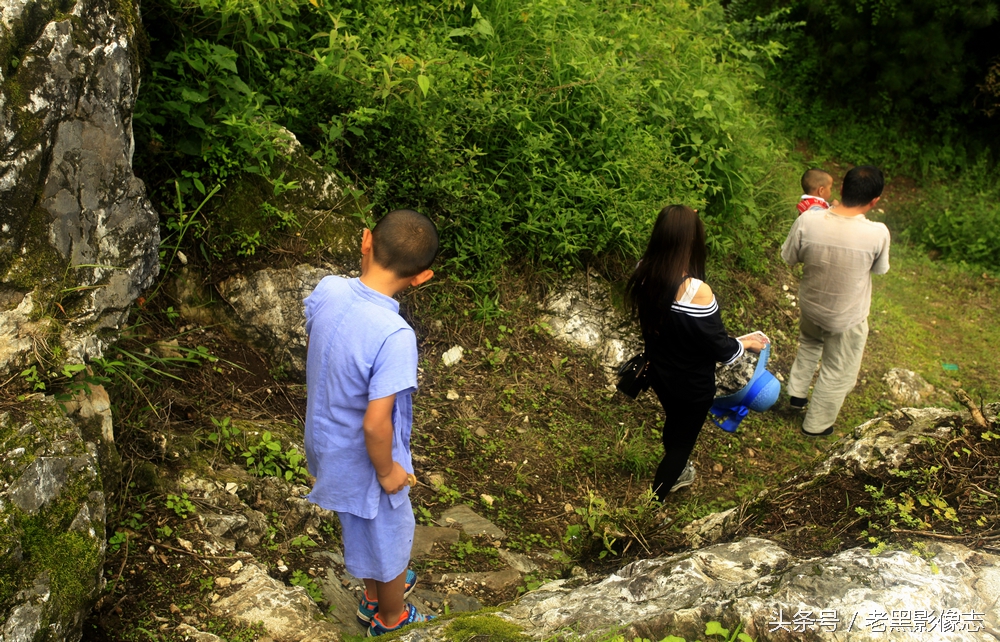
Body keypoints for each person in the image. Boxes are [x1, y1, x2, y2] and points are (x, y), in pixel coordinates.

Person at [303, 209, 438, 636]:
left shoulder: (329, 289)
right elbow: (376, 424)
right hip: (368, 460)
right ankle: (392, 616)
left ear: (365, 241)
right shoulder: (394, 335)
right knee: (393, 531)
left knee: (360, 525)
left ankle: (375, 594)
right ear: (421, 277)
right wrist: (389, 471)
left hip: (326, 440)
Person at [626, 205, 765, 501]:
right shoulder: (696, 291)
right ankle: (653, 504)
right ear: (692, 241)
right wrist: (747, 343)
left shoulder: (643, 271)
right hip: (692, 385)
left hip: (659, 373)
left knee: (674, 421)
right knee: (681, 445)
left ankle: (674, 469)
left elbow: (683, 333)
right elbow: (721, 349)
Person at [781, 165, 890, 436]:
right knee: (837, 368)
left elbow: (789, 257)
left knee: (809, 344)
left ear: (841, 189)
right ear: (874, 201)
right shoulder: (877, 233)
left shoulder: (808, 220)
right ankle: (816, 426)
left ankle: (795, 395)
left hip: (811, 306)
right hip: (846, 318)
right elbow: (879, 269)